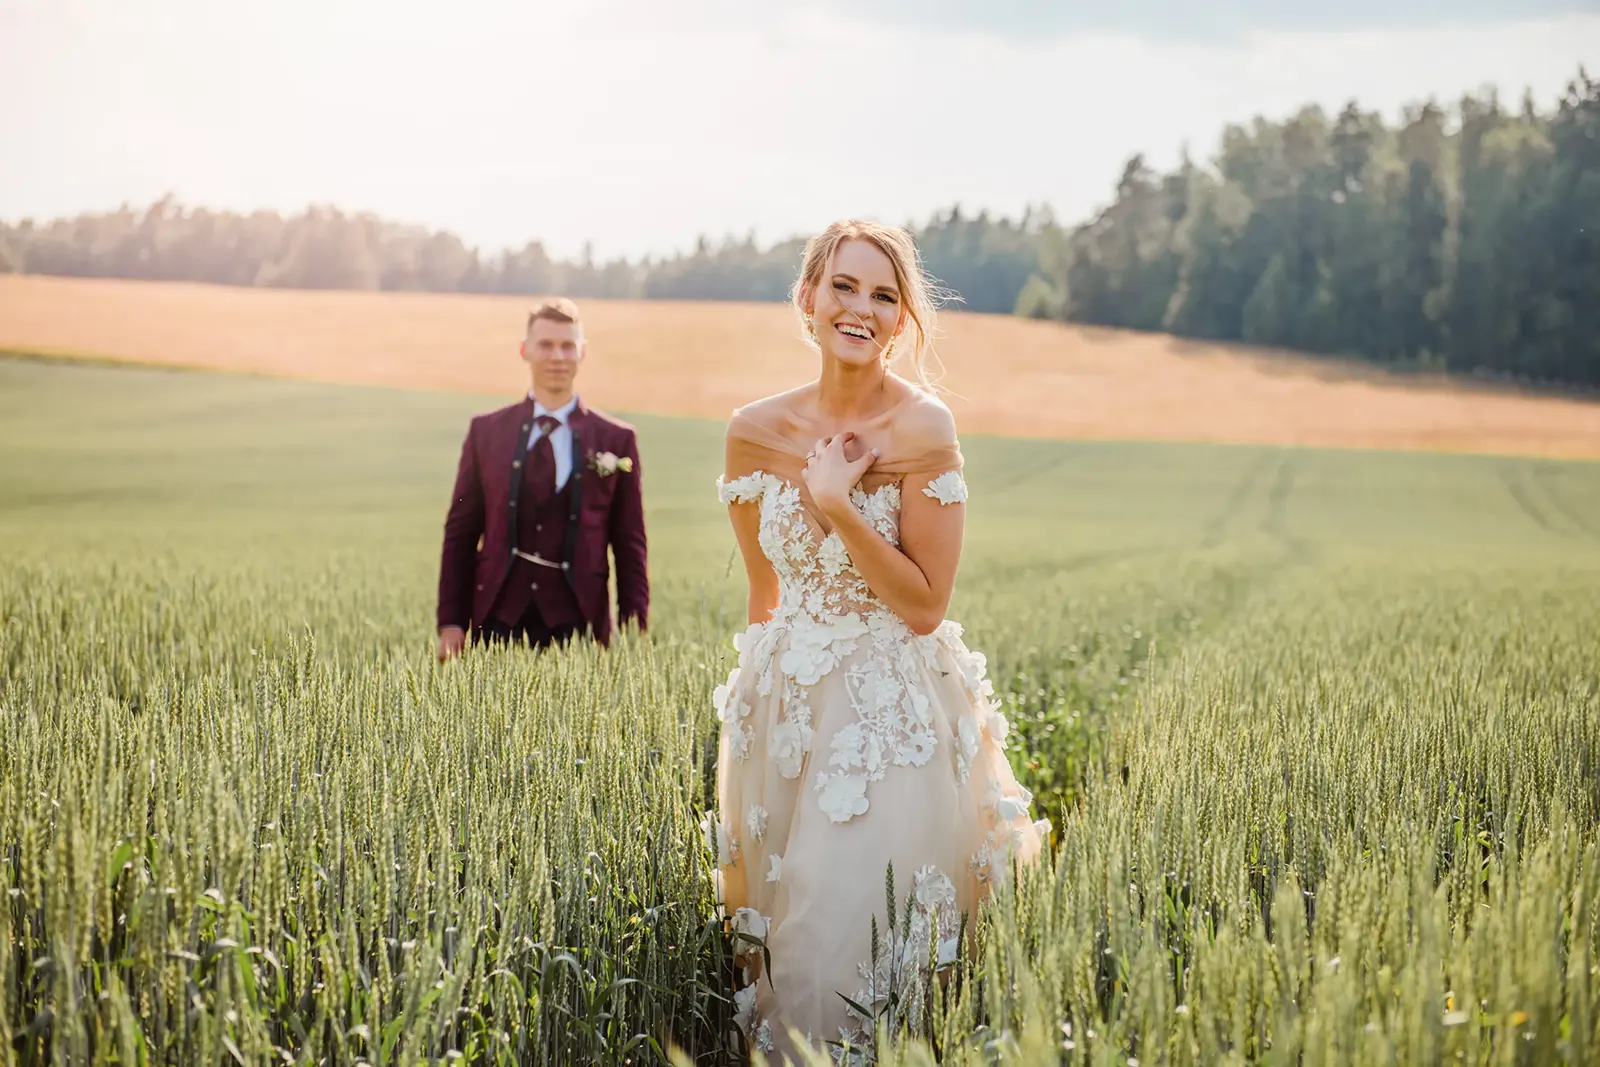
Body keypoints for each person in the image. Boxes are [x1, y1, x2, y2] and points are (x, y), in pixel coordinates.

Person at [709, 220, 1051, 1061]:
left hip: (886, 716)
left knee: (845, 932)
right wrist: (750, 725)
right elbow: (765, 590)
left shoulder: (923, 427)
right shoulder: (753, 429)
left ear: (902, 321)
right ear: (808, 298)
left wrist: (837, 506)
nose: (860, 307)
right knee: (783, 935)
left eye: (884, 295)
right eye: (845, 287)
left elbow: (927, 604)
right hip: (783, 714)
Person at [435, 297, 648, 660]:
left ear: (582, 353)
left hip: (582, 626)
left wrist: (633, 632)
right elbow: (460, 532)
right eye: (546, 345)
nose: (557, 356)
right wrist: (451, 622)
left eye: (567, 346)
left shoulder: (616, 439)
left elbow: (630, 545)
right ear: (525, 351)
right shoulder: (485, 432)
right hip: (495, 619)